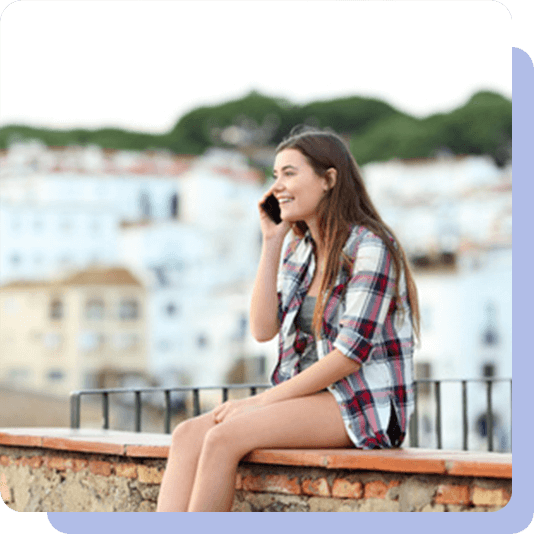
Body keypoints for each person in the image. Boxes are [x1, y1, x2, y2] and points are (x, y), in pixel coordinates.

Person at [156, 126, 420, 512]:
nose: (277, 185)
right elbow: (263, 330)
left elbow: (350, 354)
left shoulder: (371, 247)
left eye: (289, 173)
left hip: (364, 404)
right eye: (275, 174)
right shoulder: (300, 249)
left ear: (329, 179)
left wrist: (260, 403)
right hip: (309, 398)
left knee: (222, 438)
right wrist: (272, 242)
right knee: (187, 434)